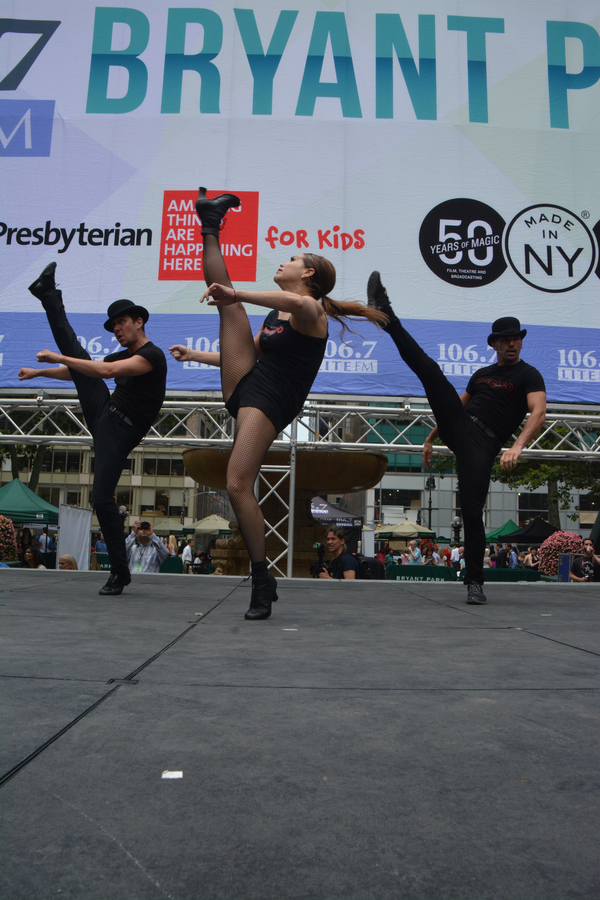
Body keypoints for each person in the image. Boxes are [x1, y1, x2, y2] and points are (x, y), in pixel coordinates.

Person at [169, 189, 386, 620]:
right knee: (226, 310)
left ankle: (261, 577)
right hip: (246, 383)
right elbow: (244, 354)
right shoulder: (273, 315)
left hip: (272, 399)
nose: (282, 261)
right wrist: (195, 356)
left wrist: (238, 296)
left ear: (307, 274)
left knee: (236, 484)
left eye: (291, 259)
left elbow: (292, 302)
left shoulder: (312, 310)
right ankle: (209, 222)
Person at [367, 272, 546, 606]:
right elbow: (456, 407)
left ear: (521, 342)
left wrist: (518, 445)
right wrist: (431, 438)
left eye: (515, 339)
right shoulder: (482, 375)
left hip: (483, 444)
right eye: (504, 339)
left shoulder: (528, 374)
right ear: (493, 344)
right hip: (460, 425)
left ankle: (474, 582)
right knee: (430, 372)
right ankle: (385, 313)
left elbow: (538, 412)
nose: (510, 344)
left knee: (472, 513)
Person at [22, 263, 167, 596]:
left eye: (122, 322)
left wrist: (59, 357)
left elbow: (106, 370)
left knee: (101, 498)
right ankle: (48, 294)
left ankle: (120, 572)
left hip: (120, 430)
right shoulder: (126, 351)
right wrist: (38, 372)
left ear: (138, 322)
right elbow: (82, 371)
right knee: (77, 356)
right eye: (114, 325)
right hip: (106, 413)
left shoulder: (153, 356)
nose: (117, 329)